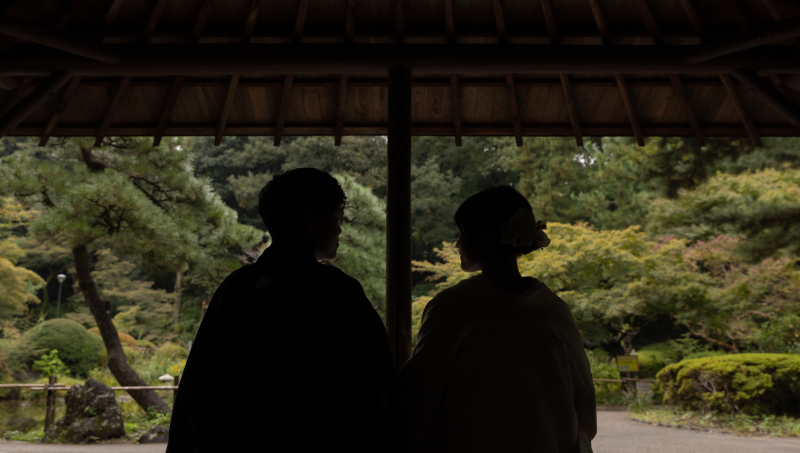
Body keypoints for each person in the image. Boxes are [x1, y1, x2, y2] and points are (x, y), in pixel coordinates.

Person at [167, 168, 394, 453]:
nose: (339, 230)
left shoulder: (236, 288)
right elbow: (374, 386)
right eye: (336, 219)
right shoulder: (338, 290)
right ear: (310, 219)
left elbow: (199, 392)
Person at [397, 186, 596, 453]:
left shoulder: (454, 306)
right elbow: (583, 402)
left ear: (487, 236)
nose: (457, 243)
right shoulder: (554, 310)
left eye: (462, 234)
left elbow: (417, 400)